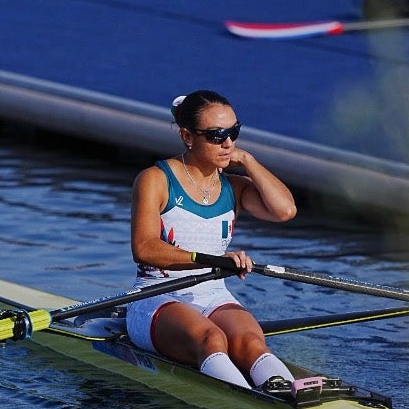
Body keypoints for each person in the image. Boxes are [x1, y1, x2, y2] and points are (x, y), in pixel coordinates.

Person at [125, 90, 298, 389]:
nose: (228, 142)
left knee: (251, 343)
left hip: (213, 294)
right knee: (212, 338)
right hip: (156, 296)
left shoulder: (235, 187)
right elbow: (144, 248)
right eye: (217, 135)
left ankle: (286, 395)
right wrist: (215, 261)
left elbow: (285, 210)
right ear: (187, 136)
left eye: (234, 132)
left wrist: (248, 160)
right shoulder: (156, 179)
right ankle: (248, 403)